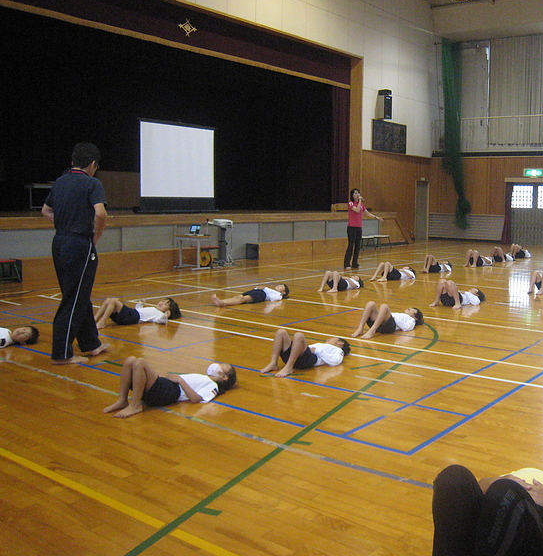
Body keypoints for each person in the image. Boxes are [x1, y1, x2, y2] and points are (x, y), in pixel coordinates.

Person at [431, 461, 543, 556]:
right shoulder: (531, 470)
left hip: (540, 526)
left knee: (506, 491)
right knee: (453, 476)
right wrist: (495, 481)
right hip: (494, 512)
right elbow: (477, 489)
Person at [41, 142, 109, 364]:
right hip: (79, 244)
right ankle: (61, 354)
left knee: (78, 294)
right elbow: (100, 214)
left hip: (59, 242)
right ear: (92, 164)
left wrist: (64, 222)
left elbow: (46, 210)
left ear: (73, 162)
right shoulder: (92, 183)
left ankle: (92, 344)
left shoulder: (60, 182)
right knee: (74, 298)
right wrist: (95, 237)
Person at [102, 356, 236, 418]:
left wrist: (180, 380)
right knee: (130, 360)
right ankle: (122, 400)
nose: (218, 364)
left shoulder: (213, 386)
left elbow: (196, 399)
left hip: (170, 392)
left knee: (140, 363)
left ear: (224, 377)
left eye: (223, 366)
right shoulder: (204, 377)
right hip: (167, 386)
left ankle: (135, 404)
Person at [260, 329, 351, 377]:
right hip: (299, 356)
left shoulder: (338, 350)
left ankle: (289, 367)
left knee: (299, 335)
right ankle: (273, 363)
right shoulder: (320, 344)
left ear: (340, 343)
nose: (329, 338)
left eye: (333, 338)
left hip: (309, 360)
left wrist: (316, 350)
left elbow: (336, 361)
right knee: (281, 332)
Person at [343, 188, 383, 270]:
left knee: (358, 246)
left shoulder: (361, 205)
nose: (357, 194)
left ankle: (355, 263)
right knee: (351, 245)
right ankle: (347, 264)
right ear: (352, 195)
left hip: (359, 227)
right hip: (352, 227)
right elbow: (357, 210)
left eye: (358, 193)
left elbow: (367, 213)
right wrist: (360, 201)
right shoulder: (351, 203)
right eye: (355, 193)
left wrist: (376, 217)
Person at [351, 301, 424, 340]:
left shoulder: (411, 320)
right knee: (371, 304)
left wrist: (396, 320)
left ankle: (372, 331)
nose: (410, 308)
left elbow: (406, 328)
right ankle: (360, 328)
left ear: (415, 317)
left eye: (413, 310)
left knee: (384, 306)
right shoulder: (400, 314)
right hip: (380, 323)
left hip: (389, 327)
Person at [95, 297, 181, 328]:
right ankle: (94, 320)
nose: (162, 303)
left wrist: (165, 316)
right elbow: (139, 310)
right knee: (108, 301)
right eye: (163, 301)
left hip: (132, 317)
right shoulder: (154, 308)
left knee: (113, 301)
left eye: (166, 304)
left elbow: (160, 321)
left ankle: (102, 322)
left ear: (168, 310)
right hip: (132, 313)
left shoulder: (159, 314)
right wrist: (140, 304)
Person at [211, 283, 289, 306]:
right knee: (238, 296)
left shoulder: (279, 295)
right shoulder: (272, 290)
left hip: (261, 294)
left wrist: (265, 288)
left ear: (283, 292)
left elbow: (273, 298)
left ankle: (223, 303)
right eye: (280, 284)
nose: (279, 285)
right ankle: (222, 301)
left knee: (242, 299)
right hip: (256, 291)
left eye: (282, 286)